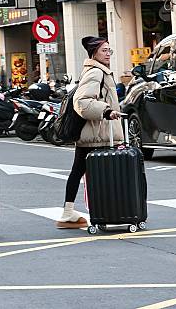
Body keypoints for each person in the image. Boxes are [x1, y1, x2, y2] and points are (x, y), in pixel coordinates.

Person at [56, 36, 123, 229]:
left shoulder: (98, 71)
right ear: (93, 53)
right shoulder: (96, 73)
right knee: (100, 174)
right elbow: (82, 102)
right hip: (97, 133)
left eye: (109, 50)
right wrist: (106, 111)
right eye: (104, 50)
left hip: (93, 133)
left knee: (78, 171)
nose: (108, 54)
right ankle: (105, 212)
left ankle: (69, 212)